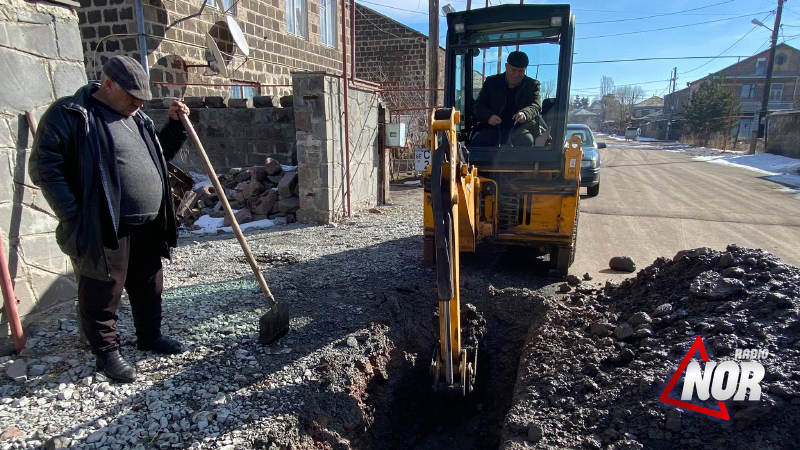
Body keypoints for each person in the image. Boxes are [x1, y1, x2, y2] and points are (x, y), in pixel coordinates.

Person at [29, 56, 190, 383]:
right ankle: (107, 353)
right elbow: (45, 167)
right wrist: (75, 214)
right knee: (103, 291)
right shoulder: (71, 115)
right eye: (132, 94)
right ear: (108, 84)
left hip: (146, 223)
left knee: (149, 285)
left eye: (142, 97)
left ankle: (149, 336)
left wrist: (174, 126)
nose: (138, 102)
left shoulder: (138, 118)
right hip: (104, 224)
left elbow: (160, 155)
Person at [472, 51, 542, 147]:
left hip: (520, 129)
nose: (516, 74)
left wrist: (525, 113)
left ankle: (522, 163)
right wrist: (488, 116)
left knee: (527, 141)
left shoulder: (532, 85)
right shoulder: (491, 82)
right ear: (506, 66)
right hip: (492, 128)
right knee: (478, 140)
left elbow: (535, 105)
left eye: (520, 71)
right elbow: (478, 105)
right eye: (513, 70)